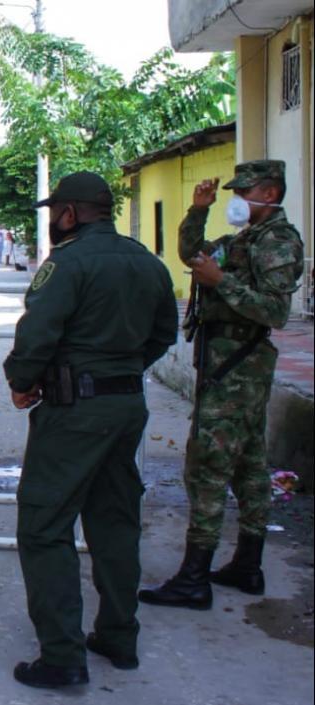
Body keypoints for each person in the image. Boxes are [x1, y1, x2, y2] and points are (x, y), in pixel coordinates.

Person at [3, 172, 177, 689]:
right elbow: (164, 333)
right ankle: (118, 637)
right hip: (126, 405)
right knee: (114, 520)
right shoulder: (148, 262)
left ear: (72, 214)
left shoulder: (67, 263)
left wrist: (22, 381)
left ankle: (62, 656)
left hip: (74, 412)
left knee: (44, 525)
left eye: (56, 211)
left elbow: (37, 332)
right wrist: (120, 371)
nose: (53, 220)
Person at [138, 161, 304, 610]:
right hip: (226, 362)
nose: (236, 197)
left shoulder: (279, 241)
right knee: (250, 465)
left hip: (238, 365)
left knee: (207, 467)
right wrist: (198, 211)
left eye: (243, 190)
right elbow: (194, 255)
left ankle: (194, 579)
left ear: (269, 193)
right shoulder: (245, 238)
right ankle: (247, 566)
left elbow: (274, 311)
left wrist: (221, 282)